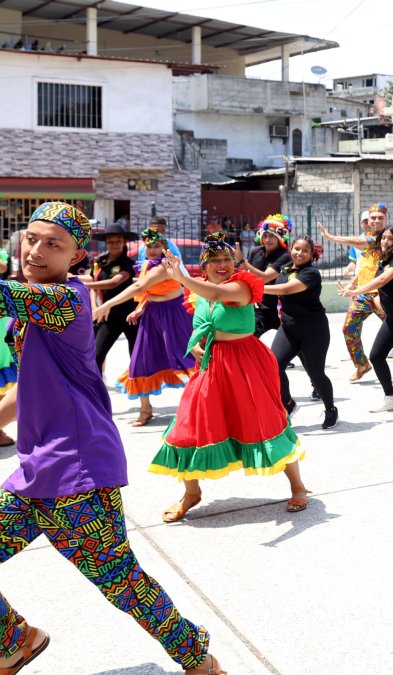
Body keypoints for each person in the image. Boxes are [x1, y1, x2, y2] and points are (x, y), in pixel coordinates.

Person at [0, 202, 223, 675]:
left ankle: (199, 660)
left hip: (79, 472)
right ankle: (15, 640)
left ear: (77, 256)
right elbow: (28, 386)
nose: (36, 250)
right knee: (123, 582)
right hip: (37, 470)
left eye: (53, 244)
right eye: (31, 238)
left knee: (122, 583)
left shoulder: (68, 299)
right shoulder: (32, 307)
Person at [150, 233, 309, 521]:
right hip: (213, 363)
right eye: (215, 260)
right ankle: (191, 493)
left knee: (265, 422)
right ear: (205, 266)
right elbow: (202, 325)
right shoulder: (199, 293)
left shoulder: (241, 286)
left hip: (245, 362)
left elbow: (218, 295)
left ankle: (298, 487)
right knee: (189, 424)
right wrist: (196, 345)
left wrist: (181, 277)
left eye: (226, 259)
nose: (222, 265)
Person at [95, 228, 197, 426]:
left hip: (172, 316)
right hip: (153, 316)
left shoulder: (164, 266)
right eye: (149, 246)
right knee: (141, 360)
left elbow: (139, 288)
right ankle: (145, 409)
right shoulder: (148, 265)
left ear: (164, 247)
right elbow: (148, 293)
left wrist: (108, 304)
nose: (152, 250)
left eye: (157, 246)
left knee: (185, 358)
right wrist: (140, 308)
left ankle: (200, 404)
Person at [338, 224, 393, 414]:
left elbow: (382, 281)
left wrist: (355, 291)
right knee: (376, 356)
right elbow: (379, 286)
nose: (385, 241)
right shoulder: (384, 260)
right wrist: (373, 297)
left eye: (389, 238)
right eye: (383, 238)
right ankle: (390, 399)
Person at [262, 236, 338, 429]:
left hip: (314, 330)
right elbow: (276, 285)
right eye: (297, 249)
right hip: (288, 329)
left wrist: (256, 288)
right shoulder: (285, 269)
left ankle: (330, 409)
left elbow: (287, 290)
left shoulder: (311, 273)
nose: (300, 253)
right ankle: (288, 403)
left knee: (316, 373)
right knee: (273, 366)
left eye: (305, 250)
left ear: (312, 254)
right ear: (291, 249)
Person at [319, 203, 387, 382]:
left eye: (380, 217)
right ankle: (362, 364)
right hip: (363, 294)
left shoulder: (386, 238)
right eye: (373, 218)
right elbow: (365, 269)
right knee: (349, 328)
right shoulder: (366, 240)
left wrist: (330, 237)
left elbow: (358, 243)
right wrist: (352, 285)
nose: (376, 221)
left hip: (382, 293)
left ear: (385, 219)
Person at [82, 221, 140, 370]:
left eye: (118, 241)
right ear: (106, 243)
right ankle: (96, 392)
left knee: (136, 359)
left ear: (124, 242)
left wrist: (84, 285)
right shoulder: (100, 261)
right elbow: (93, 280)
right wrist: (95, 306)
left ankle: (139, 392)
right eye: (110, 242)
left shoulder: (127, 263)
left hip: (130, 316)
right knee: (96, 357)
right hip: (109, 316)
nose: (114, 245)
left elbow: (113, 283)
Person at [239, 214, 293, 338]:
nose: (268, 240)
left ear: (280, 238)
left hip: (277, 308)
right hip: (257, 307)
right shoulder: (255, 251)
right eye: (266, 235)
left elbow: (265, 277)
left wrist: (243, 263)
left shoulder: (285, 256)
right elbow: (247, 276)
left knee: (291, 345)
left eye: (272, 236)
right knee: (251, 340)